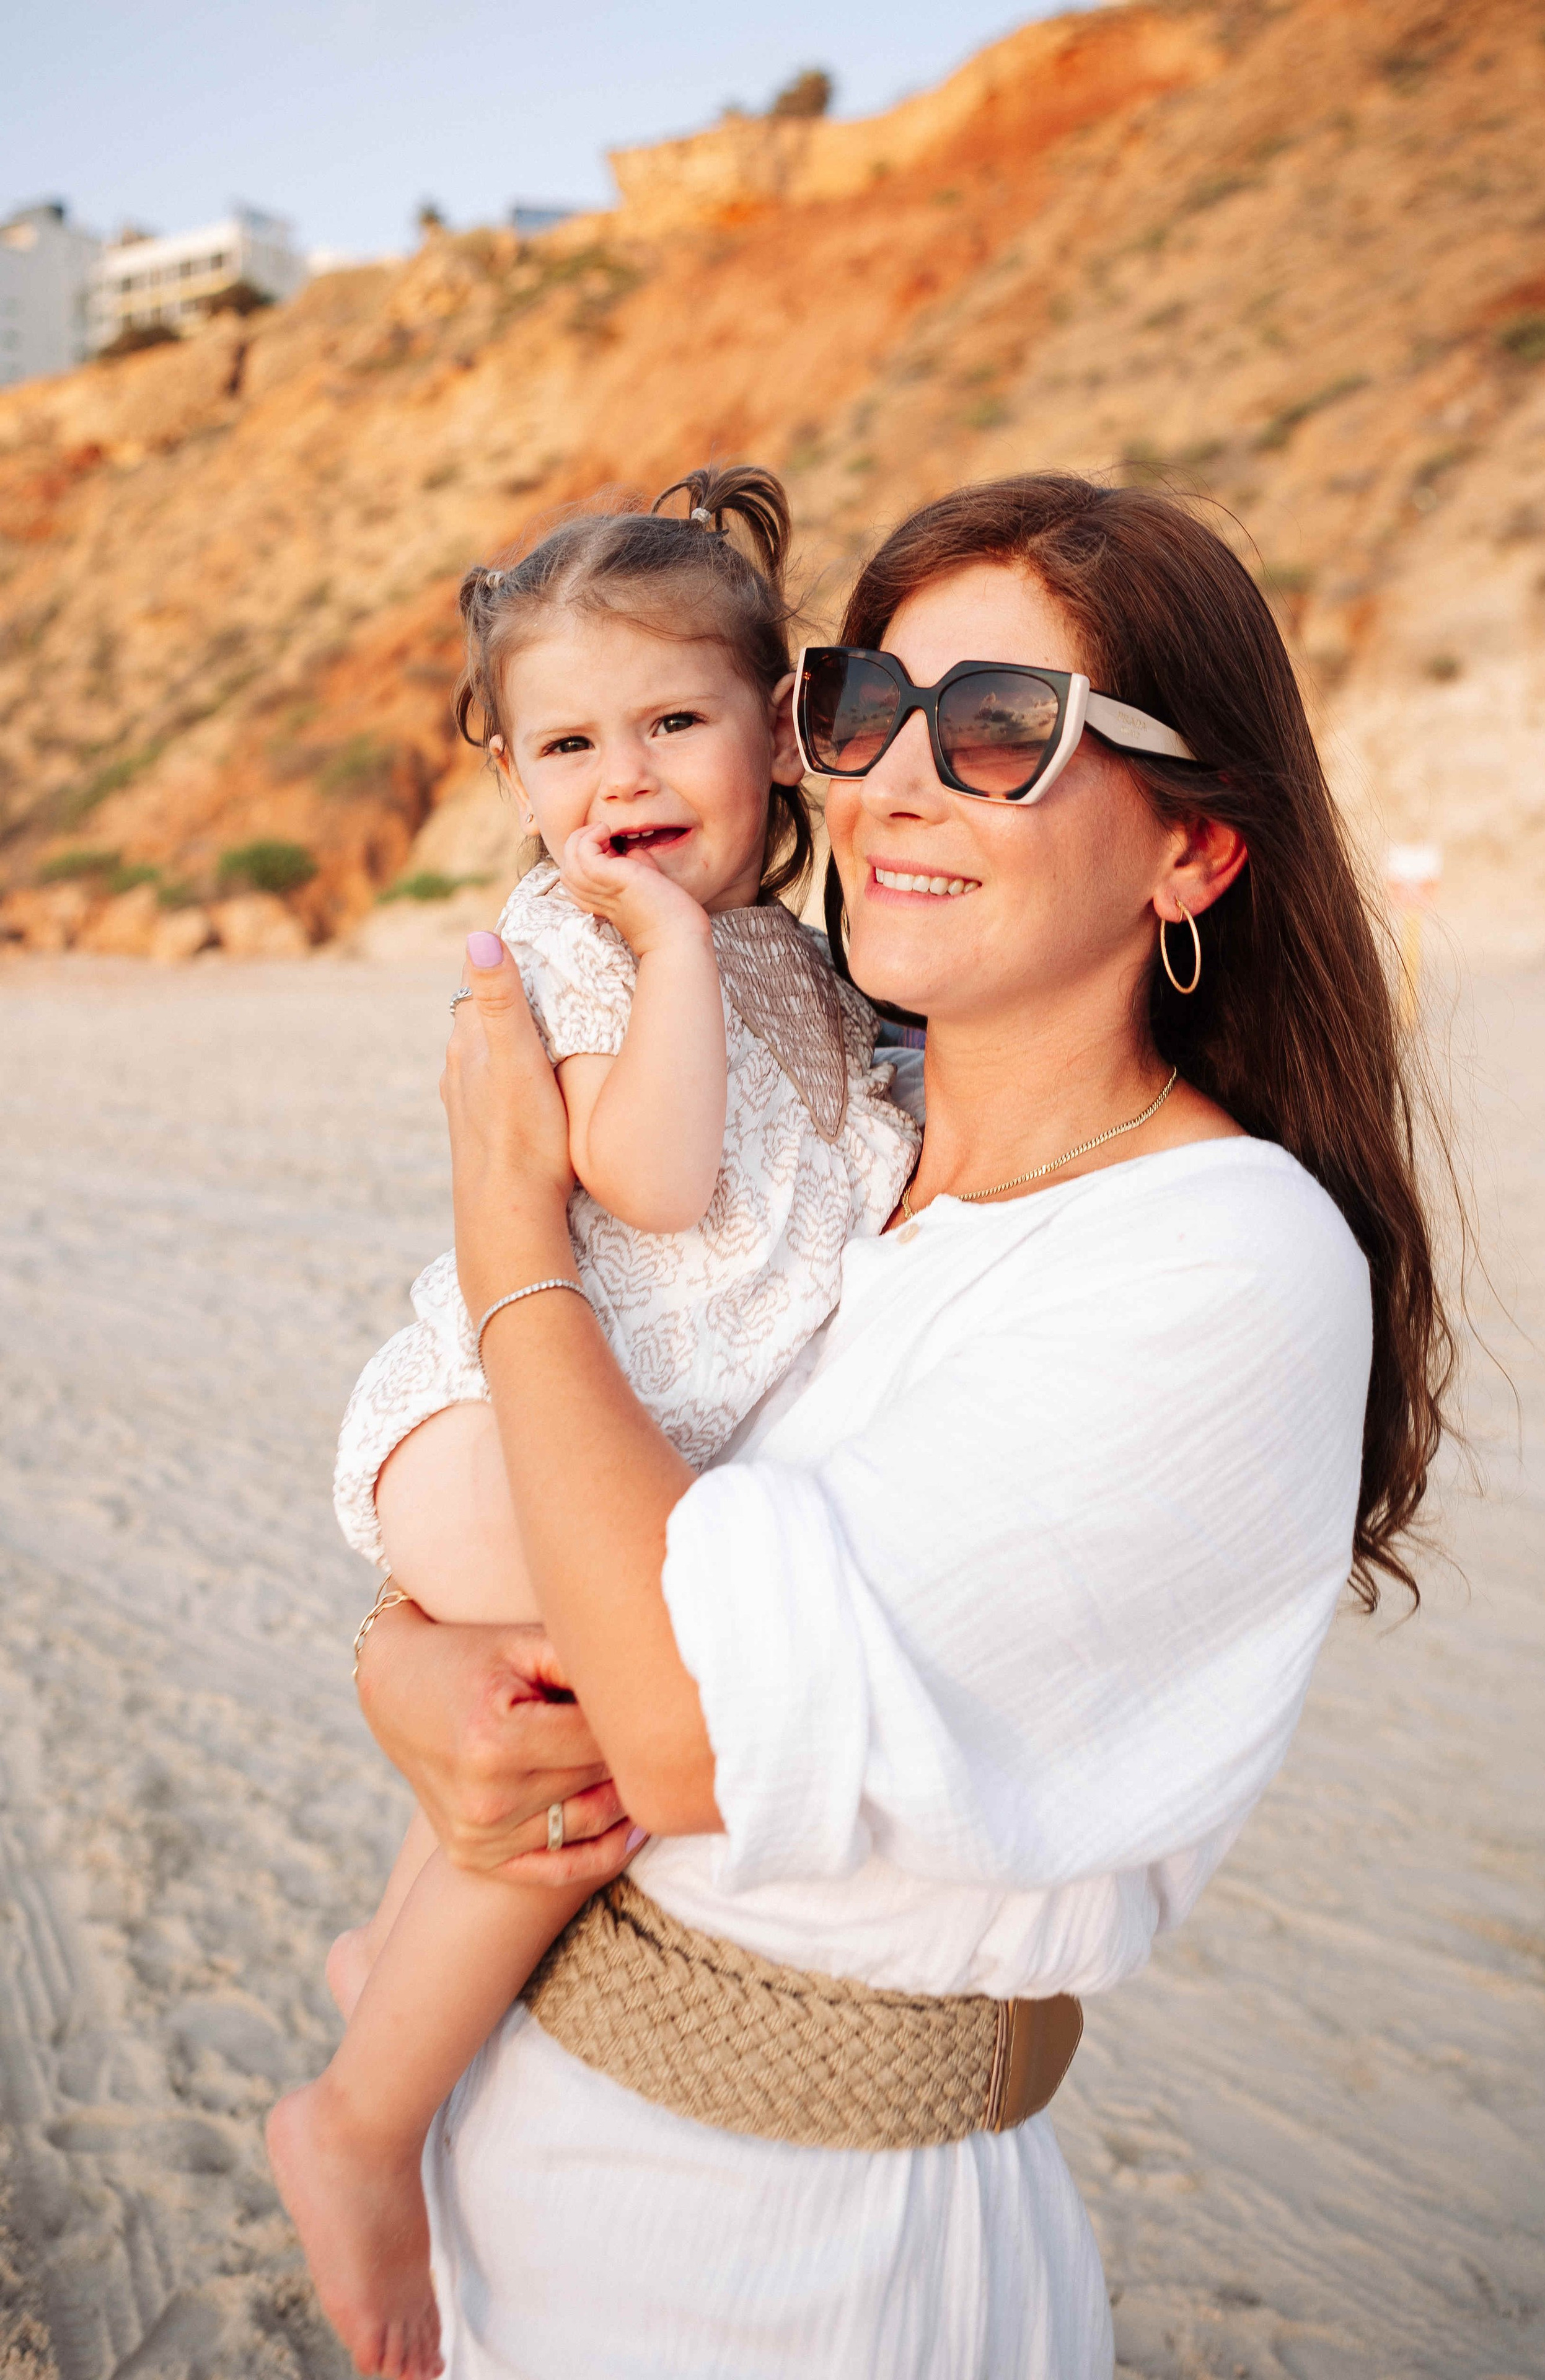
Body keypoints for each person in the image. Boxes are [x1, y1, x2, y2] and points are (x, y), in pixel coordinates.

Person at [351, 472, 1455, 2380]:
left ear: (1192, 854)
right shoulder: (834, 1157)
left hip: (806, 2262)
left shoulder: (1222, 1255)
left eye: (1008, 730)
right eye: (866, 710)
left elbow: (691, 1723)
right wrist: (406, 1671)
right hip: (518, 2159)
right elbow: (582, 1525)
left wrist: (509, 1217)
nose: (897, 787)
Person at [265, 464, 921, 2379]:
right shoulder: (574, 946)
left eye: (669, 725)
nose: (617, 777)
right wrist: (658, 944)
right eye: (565, 744)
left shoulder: (796, 963)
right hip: (491, 1423)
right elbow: (642, 1176)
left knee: (537, 1741)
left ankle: (390, 1968)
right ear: (514, 781)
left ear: (779, 736)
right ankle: (360, 2128)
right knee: (590, 1747)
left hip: (595, 1430)